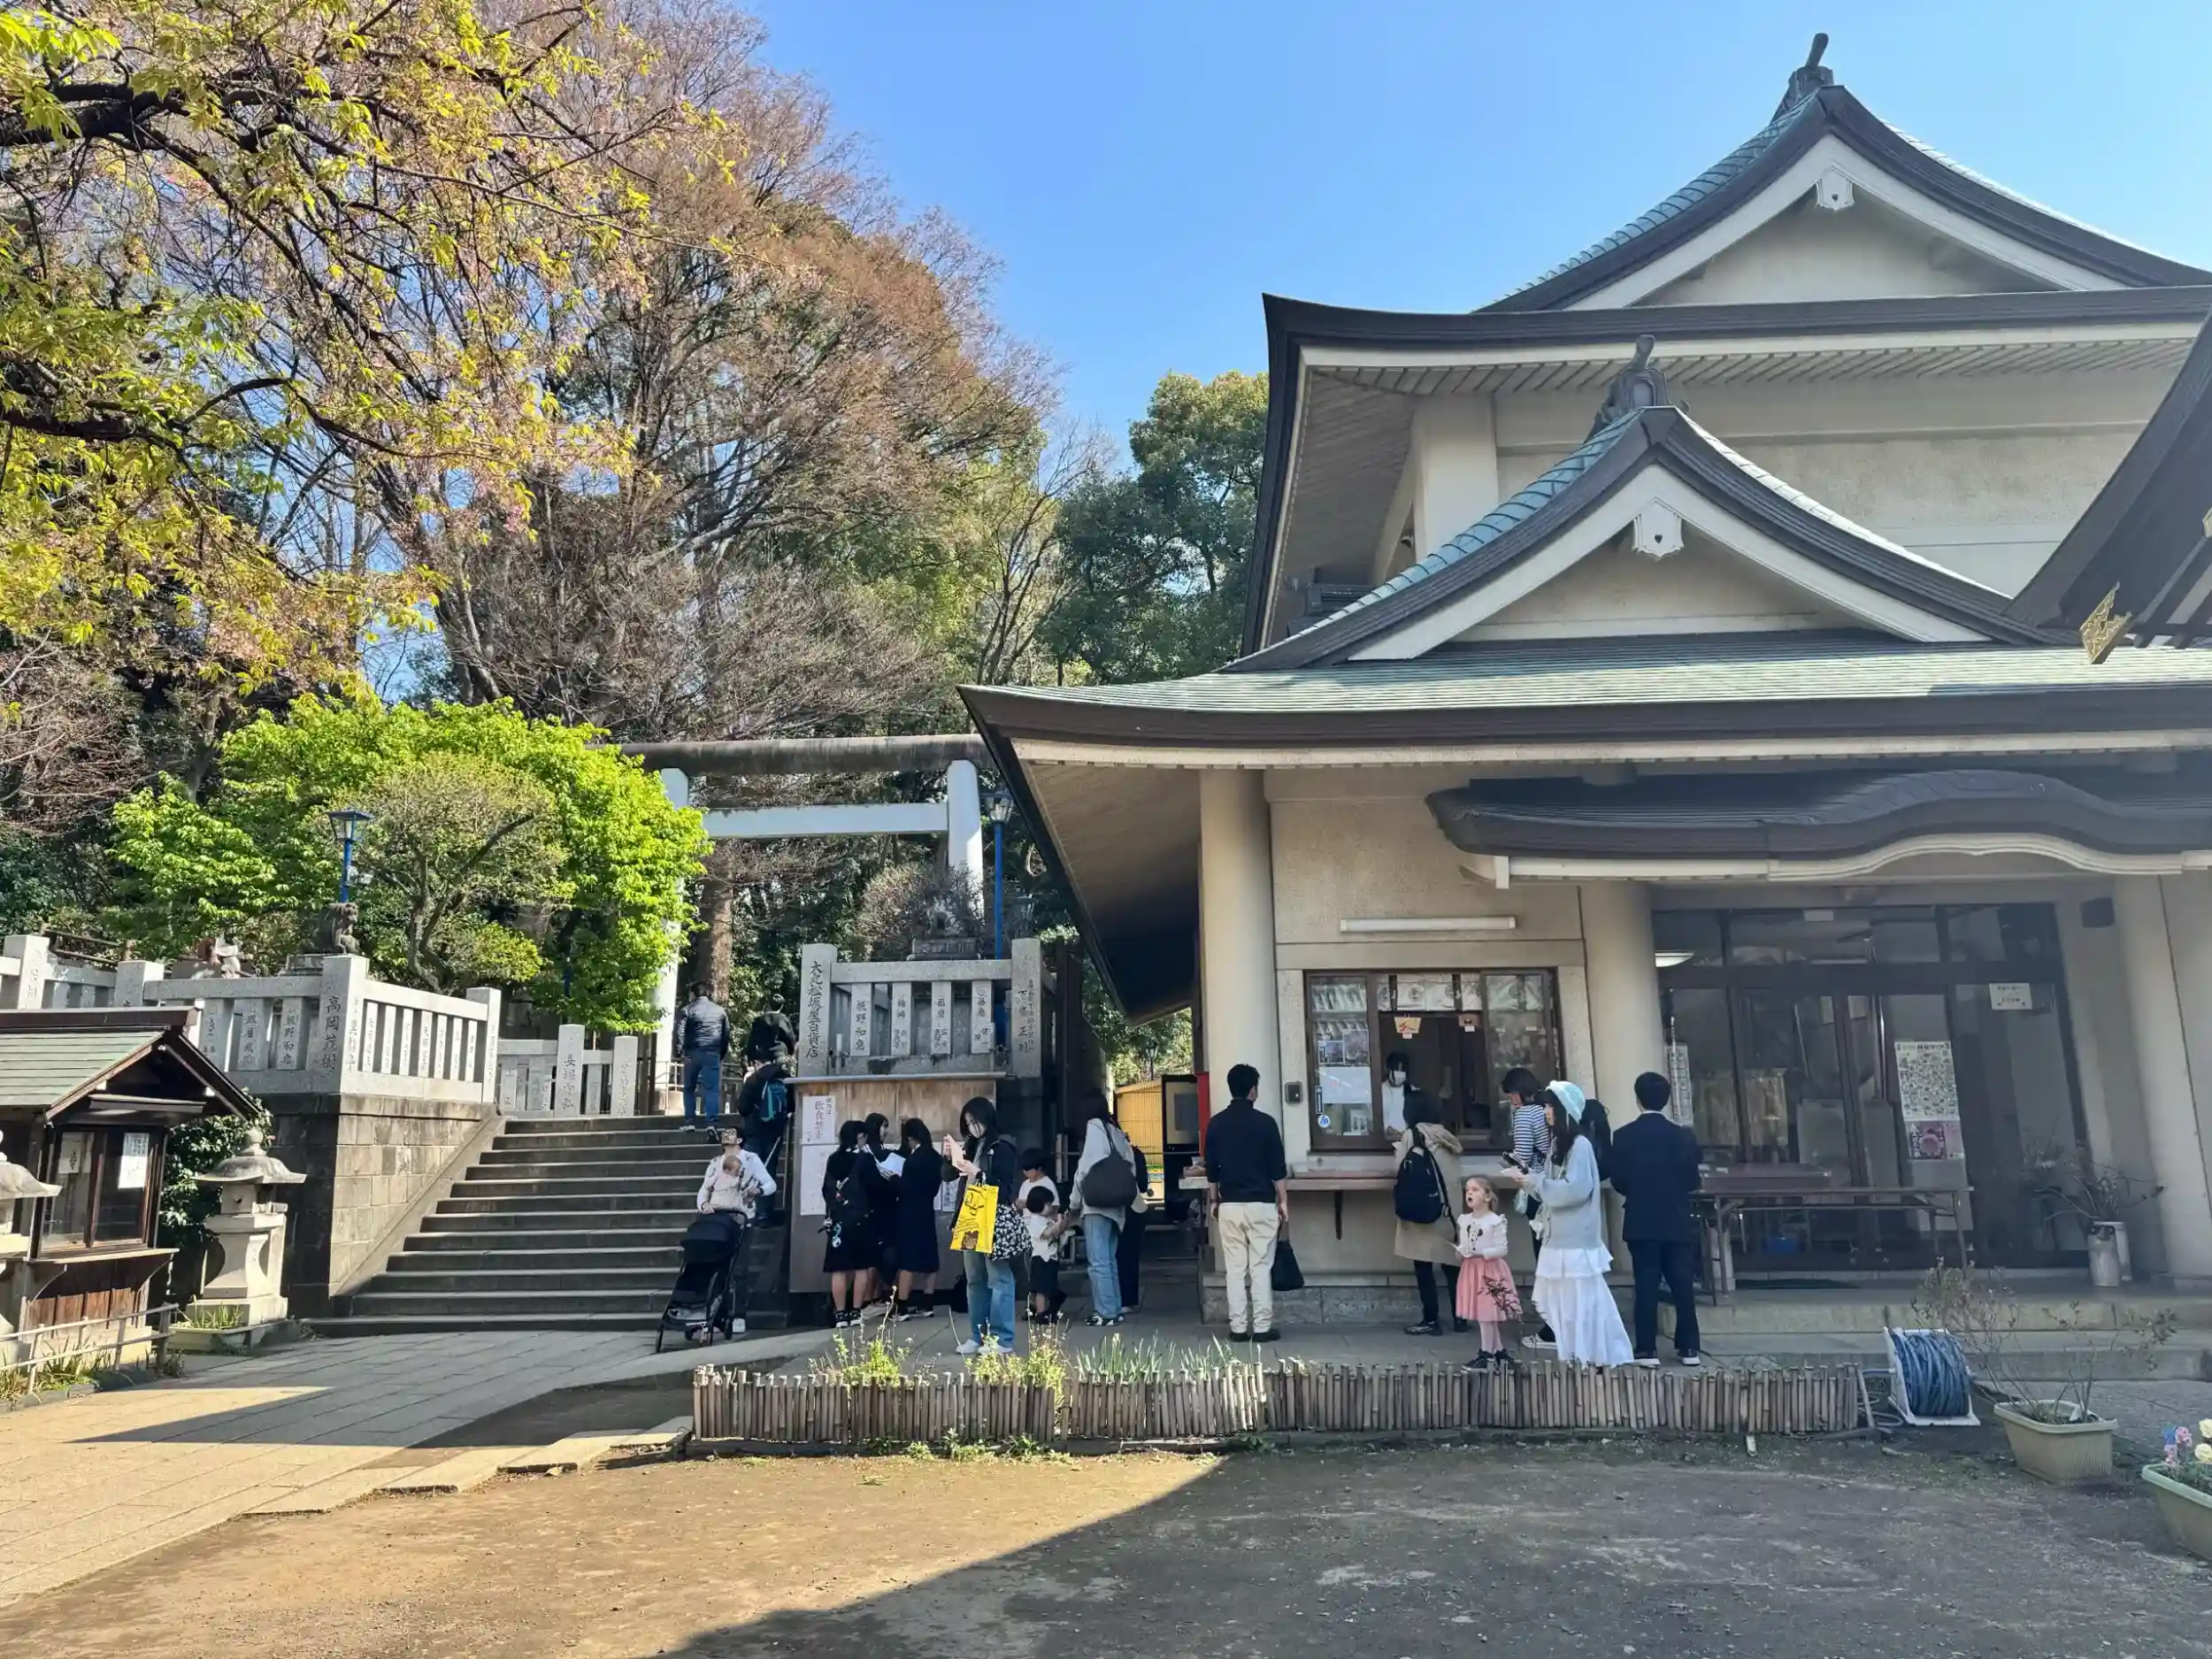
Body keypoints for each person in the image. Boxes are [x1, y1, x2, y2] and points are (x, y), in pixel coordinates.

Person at [1524, 1087, 1633, 1367]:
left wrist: (1537, 1182)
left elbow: (1575, 1189)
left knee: (1584, 1301)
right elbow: (1550, 1186)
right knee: (1561, 1300)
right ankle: (1573, 1353)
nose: (1546, 1112)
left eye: (1550, 1106)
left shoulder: (1580, 1145)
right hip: (1556, 1235)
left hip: (1575, 1237)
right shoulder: (1557, 1144)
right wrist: (1529, 1180)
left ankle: (1596, 1354)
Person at [1609, 1071, 1704, 1368]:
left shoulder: (1624, 1136)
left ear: (1637, 1099)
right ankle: (1689, 1348)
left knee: (1646, 1284)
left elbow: (1619, 1181)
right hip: (1676, 1217)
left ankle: (1646, 1349)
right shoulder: (1684, 1136)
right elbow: (1693, 1180)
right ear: (1666, 1100)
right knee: (1682, 1284)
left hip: (1642, 1218)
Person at [1202, 1062, 1288, 1342]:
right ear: (1253, 1090)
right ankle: (1262, 1328)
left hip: (1230, 1206)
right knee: (1260, 1267)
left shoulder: (1216, 1124)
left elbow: (1211, 1169)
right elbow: (1277, 1169)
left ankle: (1238, 1328)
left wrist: (1213, 1200)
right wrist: (1283, 1201)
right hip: (1262, 1205)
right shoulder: (1266, 1123)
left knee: (1235, 1270)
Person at [945, 1096, 1022, 1355]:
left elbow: (1003, 1185)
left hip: (991, 1212)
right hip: (971, 1212)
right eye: (968, 1123)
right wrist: (950, 1158)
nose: (972, 1127)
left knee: (999, 1277)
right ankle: (978, 1336)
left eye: (975, 1121)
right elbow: (947, 1176)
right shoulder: (972, 1145)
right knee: (975, 1278)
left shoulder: (1002, 1146)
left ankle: (1002, 1339)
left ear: (987, 1118)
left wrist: (977, 1172)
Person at [1392, 1080, 1467, 1336]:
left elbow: (1401, 1167)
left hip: (1424, 1207)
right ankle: (1460, 1318)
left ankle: (1431, 1320)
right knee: (1451, 1266)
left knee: (1423, 1265)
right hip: (1450, 1210)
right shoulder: (1447, 1137)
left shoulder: (1412, 1135)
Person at [695, 1125, 777, 1335]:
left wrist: (758, 1190)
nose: (726, 1134)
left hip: (742, 1219)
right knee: (719, 1268)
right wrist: (704, 1204)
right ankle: (717, 1316)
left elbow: (770, 1184)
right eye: (724, 1132)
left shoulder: (750, 1159)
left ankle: (739, 1314)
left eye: (731, 1132)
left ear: (740, 1139)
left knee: (740, 1269)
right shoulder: (715, 1162)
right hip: (718, 1221)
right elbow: (704, 1189)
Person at [1068, 1090, 1139, 1326]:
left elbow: (1084, 1170)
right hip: (1116, 1205)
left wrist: (1074, 1202)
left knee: (1098, 1262)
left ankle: (1105, 1312)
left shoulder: (1094, 1128)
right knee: (1109, 1261)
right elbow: (1130, 1164)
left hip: (1096, 1205)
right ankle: (1114, 1309)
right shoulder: (1115, 1130)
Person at [820, 1118, 887, 1327]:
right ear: (860, 1137)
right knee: (861, 1267)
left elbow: (826, 1190)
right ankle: (856, 1312)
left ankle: (840, 1314)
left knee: (839, 1269)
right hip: (860, 1219)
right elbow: (876, 1188)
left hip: (838, 1221)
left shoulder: (833, 1159)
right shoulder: (864, 1159)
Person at [1455, 1174, 1522, 1370]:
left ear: (1487, 1196)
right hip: (1471, 1271)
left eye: (1475, 1190)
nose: (1469, 1193)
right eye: (1468, 1190)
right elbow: (1465, 1245)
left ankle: (1486, 1355)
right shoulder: (1464, 1220)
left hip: (1490, 1271)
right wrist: (1461, 1252)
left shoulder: (1495, 1221)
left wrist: (1480, 1253)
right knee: (1485, 1315)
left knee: (1487, 1314)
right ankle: (1499, 1353)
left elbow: (1502, 1249)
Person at [890, 1118, 944, 1322]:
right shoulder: (936, 1158)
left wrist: (894, 1180)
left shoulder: (912, 1161)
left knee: (908, 1260)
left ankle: (902, 1307)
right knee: (929, 1257)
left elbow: (905, 1189)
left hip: (909, 1213)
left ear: (912, 1138)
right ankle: (927, 1303)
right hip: (927, 1210)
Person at [678, 985, 732, 1132]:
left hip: (692, 1052)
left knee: (689, 1087)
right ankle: (711, 1123)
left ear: (693, 994)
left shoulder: (687, 1010)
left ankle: (689, 1121)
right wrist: (721, 1053)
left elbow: (681, 1032)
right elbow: (726, 1034)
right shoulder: (720, 1011)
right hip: (713, 1052)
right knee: (712, 1089)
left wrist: (681, 1050)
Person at [1021, 1184, 1068, 1325]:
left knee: (1049, 1285)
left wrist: (1061, 1224)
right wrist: (1058, 1224)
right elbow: (1047, 1234)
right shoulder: (1035, 1220)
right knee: (1041, 1288)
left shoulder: (1046, 1219)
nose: (1050, 1207)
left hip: (1050, 1256)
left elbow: (1056, 1233)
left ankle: (1050, 1307)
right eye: (1047, 1204)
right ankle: (1041, 1313)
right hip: (1040, 1258)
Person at [1116, 1135, 1149, 1315]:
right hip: (1135, 1208)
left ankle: (1114, 1299)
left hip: (1111, 1208)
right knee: (1130, 1256)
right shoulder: (1135, 1153)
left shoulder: (1103, 1154)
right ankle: (1129, 1300)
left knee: (1111, 1256)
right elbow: (1143, 1185)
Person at [744, 995, 797, 1064]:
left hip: (763, 1057)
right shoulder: (783, 1020)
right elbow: (790, 1039)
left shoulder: (759, 1020)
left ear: (769, 1005)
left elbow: (752, 1040)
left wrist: (751, 1056)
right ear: (781, 1006)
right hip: (780, 1056)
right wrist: (790, 1053)